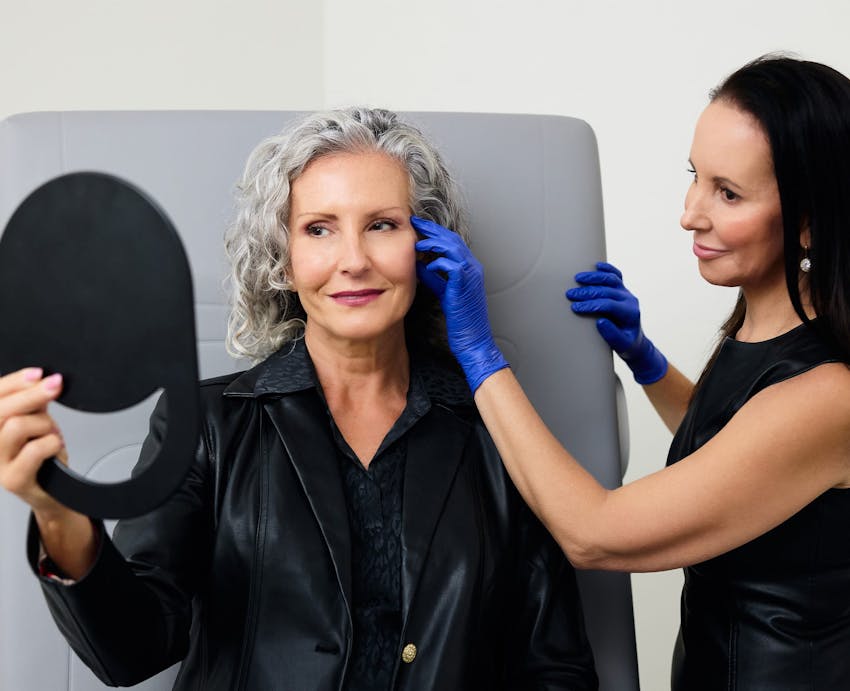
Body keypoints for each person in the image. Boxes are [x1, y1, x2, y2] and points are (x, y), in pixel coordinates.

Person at [0, 108, 598, 690]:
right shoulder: (210, 425)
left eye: (383, 224)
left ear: (427, 246)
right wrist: (59, 513)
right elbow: (130, 651)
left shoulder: (499, 432)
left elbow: (557, 668)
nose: (354, 260)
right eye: (319, 229)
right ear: (282, 259)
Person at [415, 55, 850, 689]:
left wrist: (479, 353)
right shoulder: (766, 338)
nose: (690, 213)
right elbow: (736, 449)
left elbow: (595, 534)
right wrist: (646, 361)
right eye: (695, 177)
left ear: (809, 221)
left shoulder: (829, 395)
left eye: (728, 193)